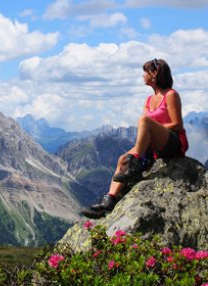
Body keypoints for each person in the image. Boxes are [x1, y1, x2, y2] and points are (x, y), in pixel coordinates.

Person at [81, 58, 189, 219]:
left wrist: (155, 129)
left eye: (146, 72)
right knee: (123, 158)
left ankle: (137, 161)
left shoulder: (171, 95)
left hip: (172, 142)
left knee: (143, 121)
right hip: (155, 144)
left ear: (155, 74)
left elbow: (177, 124)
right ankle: (109, 200)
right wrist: (150, 132)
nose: (143, 75)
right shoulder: (149, 100)